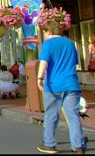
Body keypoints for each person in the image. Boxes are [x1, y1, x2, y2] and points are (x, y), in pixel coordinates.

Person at [36, 20, 85, 154]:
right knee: (73, 116)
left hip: (54, 84)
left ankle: (50, 144)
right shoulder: (70, 43)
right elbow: (74, 63)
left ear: (49, 31)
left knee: (52, 115)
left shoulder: (48, 44)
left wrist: (39, 78)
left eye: (45, 32)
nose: (45, 35)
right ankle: (78, 145)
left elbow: (44, 62)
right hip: (71, 83)